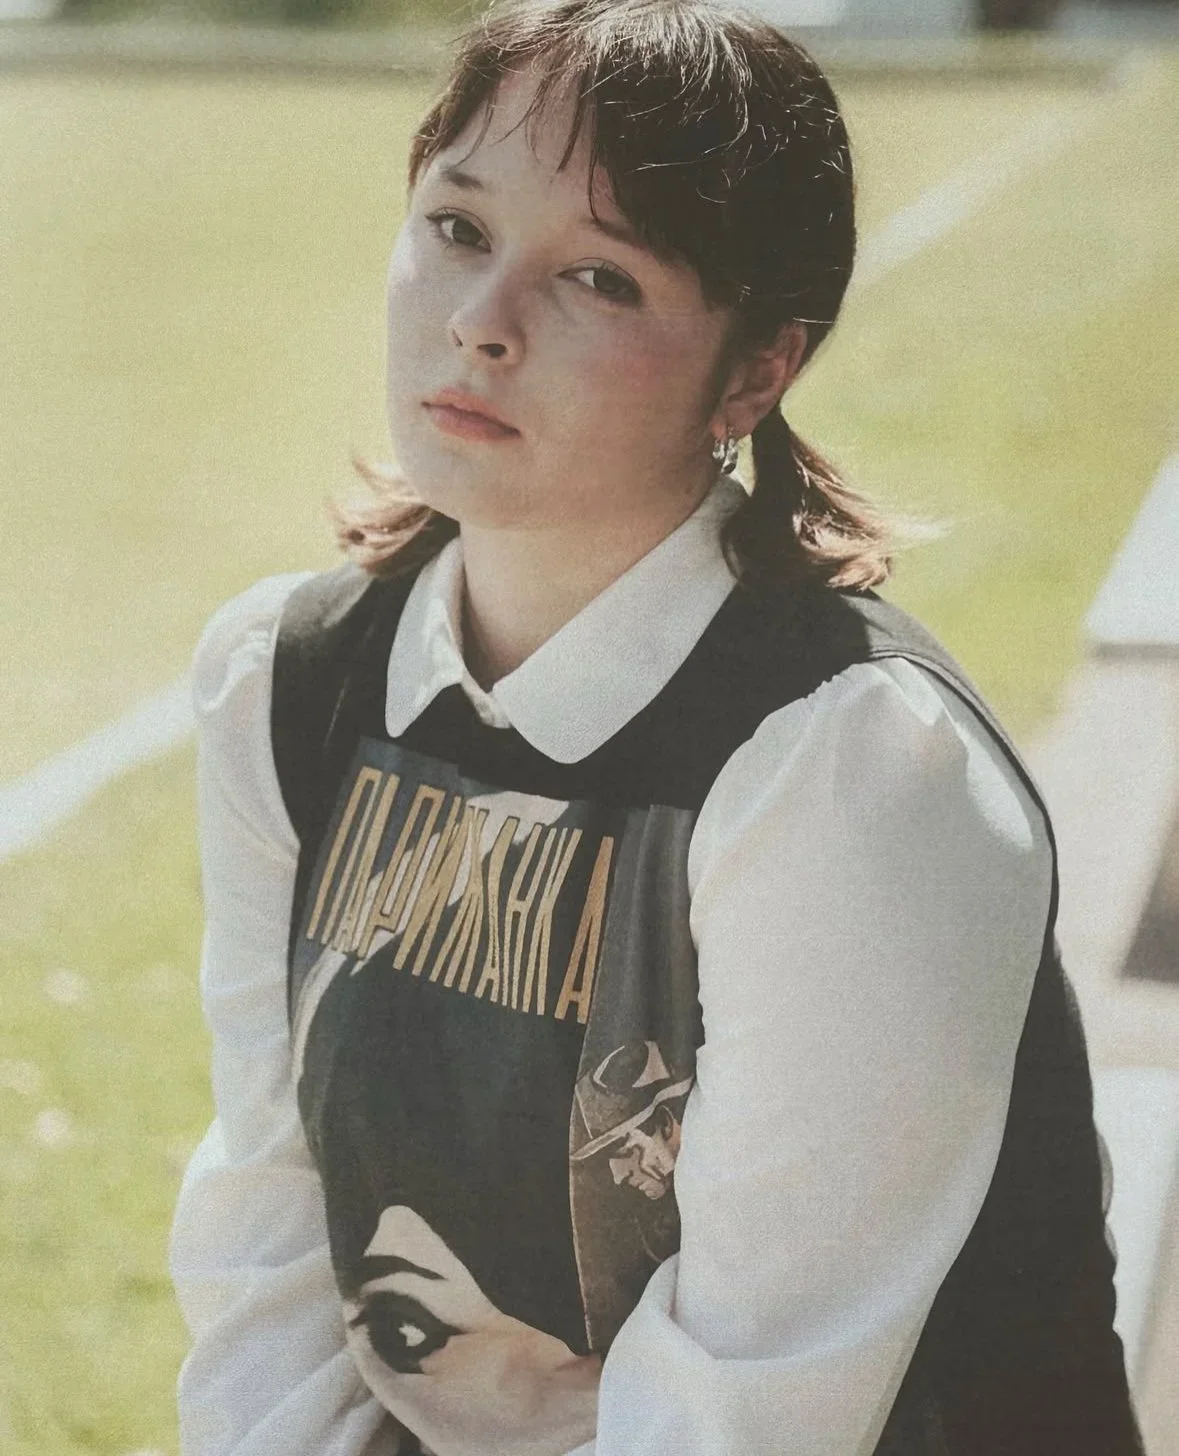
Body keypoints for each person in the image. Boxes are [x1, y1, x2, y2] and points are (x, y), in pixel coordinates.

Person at [167, 2, 1145, 1453]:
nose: (479, 322)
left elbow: (758, 1407)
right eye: (455, 228)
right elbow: (271, 1221)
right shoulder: (287, 676)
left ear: (753, 371)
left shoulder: (850, 774)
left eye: (598, 278)